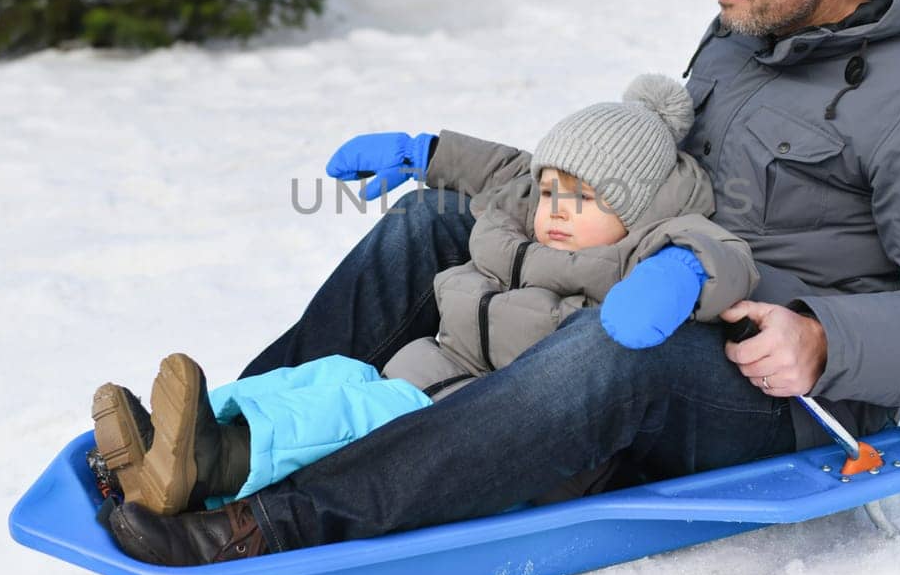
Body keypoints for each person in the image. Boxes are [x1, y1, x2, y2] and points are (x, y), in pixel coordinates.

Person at [102, 0, 900, 566]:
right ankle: (221, 442)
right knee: (442, 219)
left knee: (615, 351)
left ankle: (277, 526)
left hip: (775, 379)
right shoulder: (741, 35)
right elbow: (647, 169)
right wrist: (477, 169)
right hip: (652, 271)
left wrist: (825, 339)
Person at [93, 75, 758, 526]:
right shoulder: (540, 213)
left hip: (489, 419)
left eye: (582, 199)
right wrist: (426, 152)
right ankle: (182, 435)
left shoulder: (643, 248)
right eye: (552, 190)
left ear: (635, 207)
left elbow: (720, 254)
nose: (555, 210)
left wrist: (681, 275)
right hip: (431, 375)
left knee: (344, 411)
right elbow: (504, 169)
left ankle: (211, 468)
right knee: (325, 380)